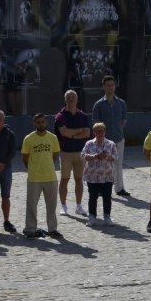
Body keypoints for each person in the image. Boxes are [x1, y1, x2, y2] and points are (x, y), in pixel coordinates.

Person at [20, 113, 61, 240]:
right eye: (38, 122)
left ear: (46, 123)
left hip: (50, 177)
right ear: (34, 123)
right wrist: (33, 169)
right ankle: (30, 229)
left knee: (52, 205)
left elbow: (55, 154)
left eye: (43, 122)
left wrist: (48, 166)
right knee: (31, 205)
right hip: (34, 178)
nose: (41, 124)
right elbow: (25, 158)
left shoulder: (53, 138)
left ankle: (52, 229)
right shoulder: (28, 138)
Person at [92, 75, 130, 199]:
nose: (110, 87)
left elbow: (124, 121)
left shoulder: (121, 103)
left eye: (112, 85)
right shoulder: (98, 105)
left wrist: (117, 130)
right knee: (102, 164)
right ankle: (101, 189)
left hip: (118, 138)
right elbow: (96, 123)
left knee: (118, 163)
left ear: (115, 86)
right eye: (108, 85)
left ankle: (119, 188)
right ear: (104, 87)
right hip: (104, 141)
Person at [54, 89, 90, 217]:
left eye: (73, 97)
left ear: (77, 99)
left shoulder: (83, 116)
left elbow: (87, 133)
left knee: (79, 180)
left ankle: (79, 205)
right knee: (64, 179)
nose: (71, 99)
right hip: (65, 153)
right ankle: (63, 206)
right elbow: (64, 133)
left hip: (80, 152)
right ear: (65, 100)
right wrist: (79, 130)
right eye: (68, 97)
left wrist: (72, 134)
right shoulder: (60, 116)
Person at [81, 122, 117, 227]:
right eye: (98, 131)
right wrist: (95, 156)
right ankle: (92, 217)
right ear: (94, 132)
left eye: (102, 131)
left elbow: (116, 157)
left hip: (107, 175)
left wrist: (107, 156)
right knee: (93, 197)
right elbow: (83, 155)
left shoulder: (111, 144)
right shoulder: (89, 144)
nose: (100, 133)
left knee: (107, 197)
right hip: (93, 176)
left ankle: (107, 217)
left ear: (105, 132)